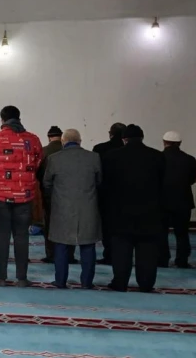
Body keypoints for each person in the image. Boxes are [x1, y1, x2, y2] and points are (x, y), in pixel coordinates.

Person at [0, 105, 43, 287]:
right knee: (22, 235)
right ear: (19, 117)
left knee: (2, 235)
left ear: (2, 120)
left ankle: (1, 277)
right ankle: (22, 278)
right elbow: (38, 162)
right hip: (25, 194)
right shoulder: (33, 139)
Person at [102, 124, 164, 293]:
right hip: (150, 213)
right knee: (148, 251)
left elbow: (106, 186)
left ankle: (120, 283)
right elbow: (162, 185)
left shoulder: (112, 156)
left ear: (124, 139)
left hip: (120, 213)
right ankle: (146, 284)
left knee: (121, 251)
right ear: (142, 138)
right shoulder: (157, 156)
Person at [42, 129, 102, 289]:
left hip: (62, 208)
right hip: (88, 208)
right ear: (80, 141)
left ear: (63, 142)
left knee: (61, 245)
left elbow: (46, 184)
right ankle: (87, 282)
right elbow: (99, 182)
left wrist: (56, 197)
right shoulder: (94, 157)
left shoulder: (54, 158)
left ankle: (60, 281)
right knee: (88, 245)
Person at [36, 126, 76, 264]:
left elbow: (38, 173)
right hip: (70, 194)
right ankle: (69, 255)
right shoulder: (71, 152)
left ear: (49, 137)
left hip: (50, 194)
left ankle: (51, 254)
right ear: (62, 137)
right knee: (69, 224)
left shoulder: (43, 151)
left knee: (49, 224)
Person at [158, 131, 196, 268]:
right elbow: (191, 180)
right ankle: (182, 260)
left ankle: (162, 259)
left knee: (161, 232)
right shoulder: (190, 159)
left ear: (164, 142)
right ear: (179, 143)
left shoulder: (158, 158)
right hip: (183, 202)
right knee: (182, 233)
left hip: (162, 201)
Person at [92, 122, 125, 265]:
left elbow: (95, 172)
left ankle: (109, 254)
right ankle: (122, 255)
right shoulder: (126, 150)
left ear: (110, 134)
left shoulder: (99, 149)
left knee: (107, 227)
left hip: (105, 194)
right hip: (125, 195)